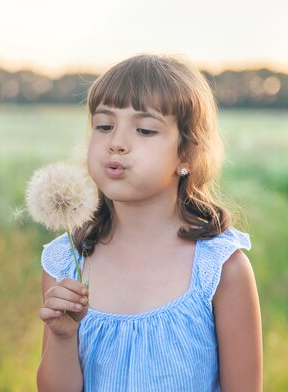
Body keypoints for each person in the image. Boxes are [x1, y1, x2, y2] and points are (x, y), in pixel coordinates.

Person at [36, 54, 262, 391]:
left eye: (144, 130)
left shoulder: (220, 270)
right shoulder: (67, 263)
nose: (117, 143)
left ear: (187, 155)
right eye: (104, 125)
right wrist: (62, 337)